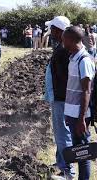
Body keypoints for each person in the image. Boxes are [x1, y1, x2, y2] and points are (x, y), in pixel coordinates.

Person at [63, 26, 96, 180]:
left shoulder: (84, 60)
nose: (62, 42)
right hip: (72, 111)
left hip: (80, 115)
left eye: (64, 39)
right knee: (78, 149)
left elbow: (86, 91)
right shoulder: (74, 57)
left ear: (71, 40)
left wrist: (82, 119)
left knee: (83, 152)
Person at [44, 16, 75, 179]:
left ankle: (67, 172)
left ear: (59, 30)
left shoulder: (64, 50)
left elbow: (66, 78)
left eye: (52, 29)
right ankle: (61, 162)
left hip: (62, 98)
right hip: (60, 96)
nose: (50, 32)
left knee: (63, 133)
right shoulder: (63, 47)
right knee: (60, 132)